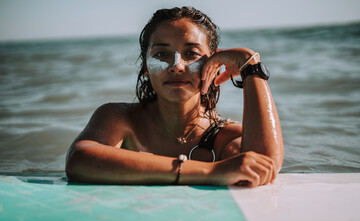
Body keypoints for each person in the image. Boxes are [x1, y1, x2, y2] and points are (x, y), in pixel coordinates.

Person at [65, 6, 283, 187]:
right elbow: (79, 160)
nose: (176, 66)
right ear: (146, 69)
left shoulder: (224, 136)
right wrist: (209, 172)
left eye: (191, 54)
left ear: (214, 64)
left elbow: (263, 166)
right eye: (161, 54)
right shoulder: (120, 119)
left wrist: (250, 67)